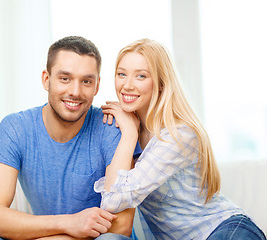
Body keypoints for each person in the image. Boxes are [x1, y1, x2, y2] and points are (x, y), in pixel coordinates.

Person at [0, 36, 140, 240]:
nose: (75, 92)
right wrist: (70, 223)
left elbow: (121, 226)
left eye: (86, 81)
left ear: (96, 86)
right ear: (46, 79)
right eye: (65, 79)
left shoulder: (111, 127)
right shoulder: (16, 127)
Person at [95, 38, 266, 240]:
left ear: (160, 83)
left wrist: (129, 133)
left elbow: (113, 200)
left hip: (227, 230)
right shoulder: (126, 130)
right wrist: (129, 132)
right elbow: (112, 204)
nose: (127, 85)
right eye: (121, 74)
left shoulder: (178, 136)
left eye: (141, 76)